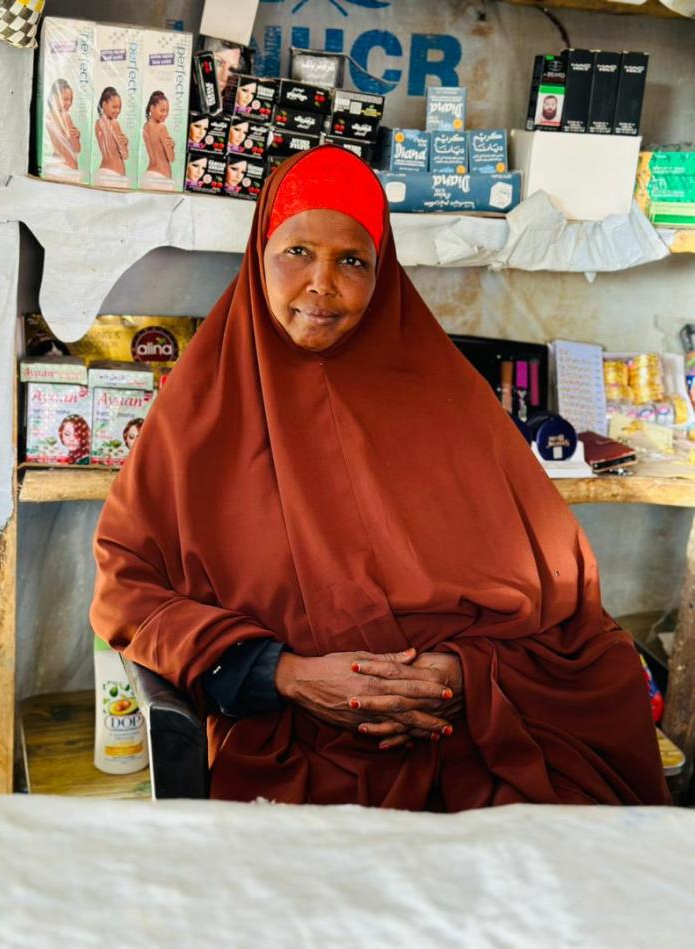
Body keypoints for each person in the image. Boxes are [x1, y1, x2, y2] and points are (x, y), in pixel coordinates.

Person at [91, 145, 669, 810]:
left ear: (383, 270)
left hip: (468, 732)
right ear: (260, 257)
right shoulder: (200, 409)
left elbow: (563, 604)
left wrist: (459, 674)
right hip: (292, 745)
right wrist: (286, 674)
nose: (321, 284)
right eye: (297, 252)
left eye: (353, 261)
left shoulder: (447, 398)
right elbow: (126, 589)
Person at [43, 78, 82, 182]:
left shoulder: (49, 117)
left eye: (71, 99)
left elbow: (76, 148)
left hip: (57, 167)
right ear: (55, 97)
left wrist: (77, 136)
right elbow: (76, 148)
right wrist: (75, 138)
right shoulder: (63, 118)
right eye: (65, 99)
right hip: (65, 169)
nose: (69, 103)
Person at [94, 86, 129, 187]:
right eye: (114, 107)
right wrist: (126, 143)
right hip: (114, 176)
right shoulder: (114, 123)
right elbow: (125, 155)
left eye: (119, 107)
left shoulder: (98, 124)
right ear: (104, 105)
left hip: (103, 173)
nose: (118, 110)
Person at [141, 91, 175, 190]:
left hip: (148, 176)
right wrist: (172, 146)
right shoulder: (161, 127)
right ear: (152, 108)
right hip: (161, 178)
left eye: (167, 111)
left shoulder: (145, 127)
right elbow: (171, 158)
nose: (165, 114)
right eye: (162, 110)